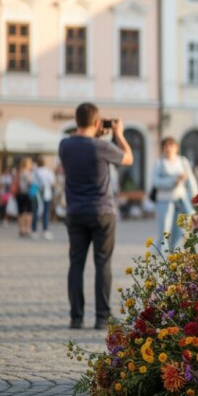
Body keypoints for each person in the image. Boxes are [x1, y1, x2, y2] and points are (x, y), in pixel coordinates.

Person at [59, 103, 133, 329]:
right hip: (102, 211)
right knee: (102, 264)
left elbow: (77, 138)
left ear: (76, 121)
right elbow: (128, 158)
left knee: (76, 264)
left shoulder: (64, 145)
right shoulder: (101, 146)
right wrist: (118, 134)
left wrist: (94, 129)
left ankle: (76, 317)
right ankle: (102, 317)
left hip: (75, 212)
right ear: (98, 122)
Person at [152, 137, 198, 251]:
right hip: (164, 201)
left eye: (171, 145)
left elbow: (191, 180)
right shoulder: (160, 163)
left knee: (179, 230)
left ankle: (173, 254)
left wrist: (197, 196)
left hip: (181, 201)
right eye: (166, 145)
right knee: (164, 231)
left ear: (176, 147)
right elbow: (156, 182)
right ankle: (159, 256)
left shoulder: (182, 161)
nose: (169, 148)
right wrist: (174, 181)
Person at [32, 156, 57, 240]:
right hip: (46, 193)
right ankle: (45, 230)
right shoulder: (48, 172)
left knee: (35, 212)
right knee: (46, 212)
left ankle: (34, 231)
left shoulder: (34, 171)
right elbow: (53, 183)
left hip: (36, 194)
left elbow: (31, 182)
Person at [13, 157, 36, 238]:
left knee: (20, 212)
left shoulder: (18, 172)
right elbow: (31, 182)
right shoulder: (27, 172)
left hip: (19, 194)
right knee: (29, 212)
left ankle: (21, 229)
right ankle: (27, 229)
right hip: (27, 194)